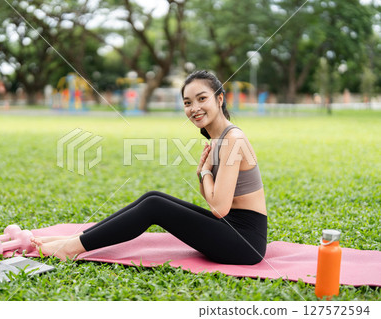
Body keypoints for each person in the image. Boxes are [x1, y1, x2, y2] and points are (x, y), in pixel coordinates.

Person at [31, 70, 267, 265]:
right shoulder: (217, 139)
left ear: (219, 99)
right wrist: (201, 174)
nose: (194, 108)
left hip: (245, 244)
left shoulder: (232, 139)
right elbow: (213, 199)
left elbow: (219, 209)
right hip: (230, 229)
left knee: (155, 206)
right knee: (152, 196)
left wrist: (205, 172)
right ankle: (78, 238)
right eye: (187, 102)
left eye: (201, 99)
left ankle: (70, 248)